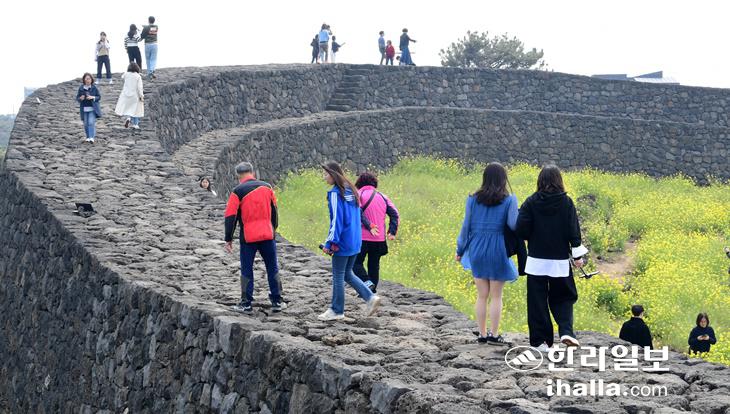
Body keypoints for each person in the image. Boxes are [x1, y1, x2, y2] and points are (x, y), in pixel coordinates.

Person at [516, 164, 588, 351]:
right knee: (564, 296)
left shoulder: (531, 202)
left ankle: (541, 342)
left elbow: (521, 229)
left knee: (537, 302)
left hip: (536, 261)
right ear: (559, 181)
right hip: (559, 261)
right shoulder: (566, 202)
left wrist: (533, 234)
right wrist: (577, 256)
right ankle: (566, 331)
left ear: (540, 181)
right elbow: (573, 231)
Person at [456, 163, 519, 345]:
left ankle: (482, 335)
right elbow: (514, 225)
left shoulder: (472, 199)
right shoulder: (509, 200)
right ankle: (494, 334)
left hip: (476, 248)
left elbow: (466, 227)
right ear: (503, 179)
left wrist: (460, 250)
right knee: (496, 296)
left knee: (482, 295)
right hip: (497, 248)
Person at [319, 161, 382, 321]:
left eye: (326, 174)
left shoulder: (336, 193)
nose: (324, 177)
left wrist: (330, 242)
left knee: (338, 275)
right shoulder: (352, 191)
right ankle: (370, 297)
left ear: (333, 174)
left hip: (342, 241)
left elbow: (336, 221)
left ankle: (336, 310)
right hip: (355, 240)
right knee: (348, 273)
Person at [224, 162, 284, 313]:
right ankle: (277, 300)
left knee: (247, 269)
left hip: (249, 237)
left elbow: (231, 216)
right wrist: (273, 229)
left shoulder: (238, 191)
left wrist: (228, 238)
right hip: (267, 234)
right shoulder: (267, 187)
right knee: (272, 267)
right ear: (253, 172)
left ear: (238, 176)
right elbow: (275, 212)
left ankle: (246, 303)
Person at [353, 172, 399, 294]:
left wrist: (368, 226)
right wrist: (392, 231)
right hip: (379, 239)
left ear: (359, 183)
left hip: (361, 237)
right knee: (374, 265)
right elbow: (395, 214)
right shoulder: (383, 197)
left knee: (355, 263)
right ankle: (371, 292)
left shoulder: (358, 194)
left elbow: (357, 212)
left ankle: (368, 284)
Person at [114, 62, 144, 130]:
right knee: (136, 109)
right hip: (135, 95)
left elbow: (122, 77)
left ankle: (128, 118)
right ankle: (135, 124)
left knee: (128, 108)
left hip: (126, 95)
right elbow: (140, 87)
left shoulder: (126, 74)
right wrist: (141, 96)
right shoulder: (138, 76)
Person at [76, 73, 102, 143]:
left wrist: (92, 97)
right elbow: (77, 98)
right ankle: (87, 137)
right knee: (85, 124)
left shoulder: (94, 88)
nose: (88, 80)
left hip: (92, 109)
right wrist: (80, 98)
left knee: (91, 122)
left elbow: (99, 97)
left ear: (91, 80)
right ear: (84, 80)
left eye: (89, 79)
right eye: (86, 79)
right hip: (84, 109)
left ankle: (91, 137)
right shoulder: (81, 88)